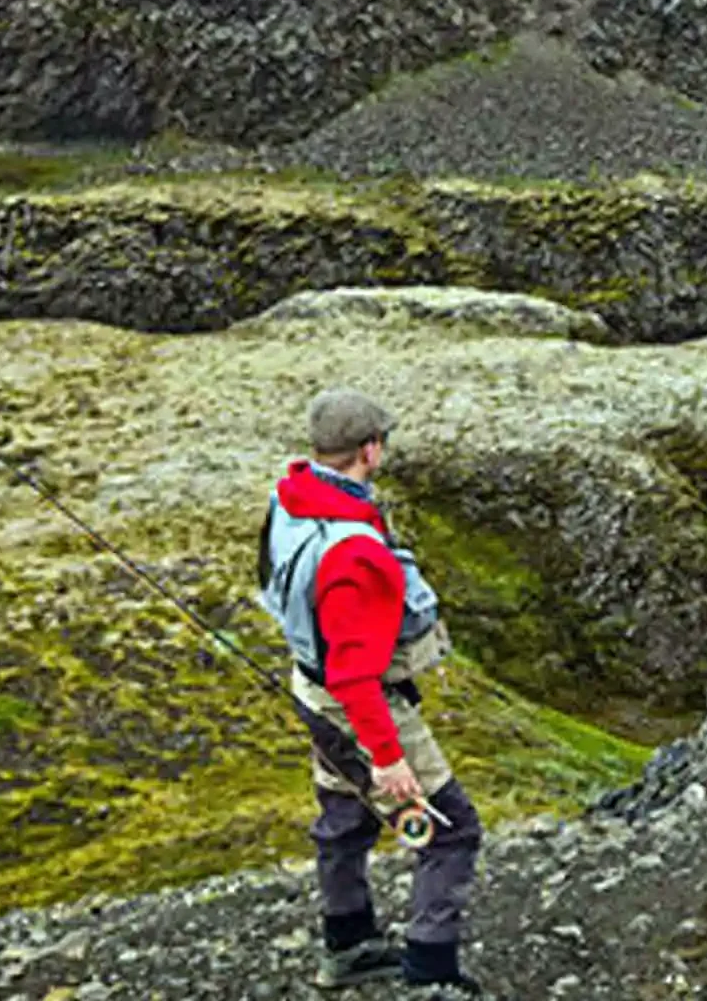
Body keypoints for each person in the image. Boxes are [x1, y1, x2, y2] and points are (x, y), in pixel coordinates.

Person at [256, 387, 484, 994]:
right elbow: (355, 675)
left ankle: (349, 944)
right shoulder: (353, 552)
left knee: (344, 815)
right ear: (370, 449)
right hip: (356, 702)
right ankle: (431, 972)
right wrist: (388, 758)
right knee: (452, 829)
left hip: (312, 689)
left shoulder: (293, 500)